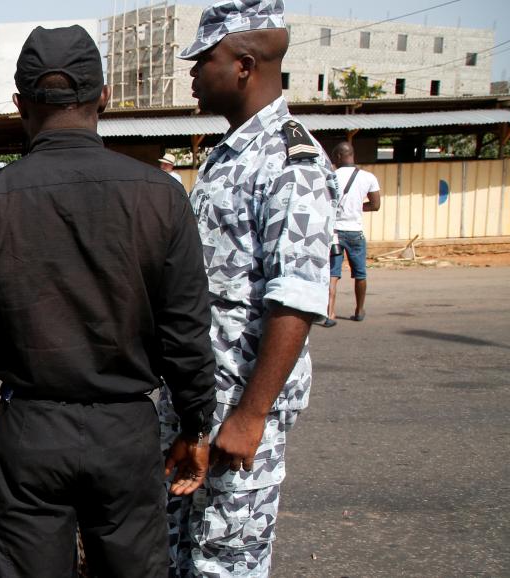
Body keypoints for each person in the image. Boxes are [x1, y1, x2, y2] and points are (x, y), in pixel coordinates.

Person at [0, 25, 217, 578]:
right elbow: (186, 333)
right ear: (104, 96)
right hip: (127, 432)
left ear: (20, 104)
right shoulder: (161, 195)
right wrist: (195, 426)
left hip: (30, 430)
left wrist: (29, 338)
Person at [157, 1, 339, 576]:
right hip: (196, 398)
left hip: (238, 403)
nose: (192, 74)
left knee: (226, 560)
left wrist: (252, 414)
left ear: (242, 64)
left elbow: (298, 297)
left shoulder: (291, 161)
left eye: (201, 60)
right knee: (176, 551)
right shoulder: (228, 152)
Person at [326, 141, 380, 325]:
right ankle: (359, 309)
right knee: (360, 274)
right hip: (355, 232)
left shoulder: (330, 176)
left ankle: (330, 313)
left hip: (334, 233)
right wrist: (357, 207)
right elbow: (375, 205)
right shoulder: (368, 177)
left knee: (333, 274)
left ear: (339, 156)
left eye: (334, 157)